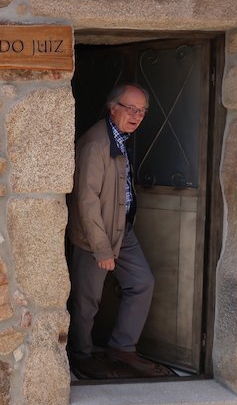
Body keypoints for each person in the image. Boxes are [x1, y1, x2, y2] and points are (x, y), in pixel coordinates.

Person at [67, 83, 172, 380]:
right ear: (113, 108)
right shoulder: (96, 143)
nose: (137, 116)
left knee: (142, 283)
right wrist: (101, 248)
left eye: (142, 111)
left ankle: (122, 347)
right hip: (94, 235)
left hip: (121, 230)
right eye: (131, 109)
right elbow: (85, 201)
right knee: (87, 300)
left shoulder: (121, 138)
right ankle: (81, 355)